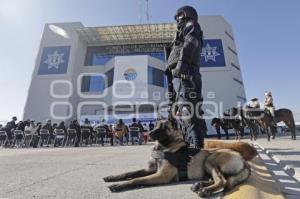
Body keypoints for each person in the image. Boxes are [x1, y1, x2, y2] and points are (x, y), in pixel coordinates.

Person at [165, 6, 207, 148]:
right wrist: (170, 89)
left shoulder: (192, 26)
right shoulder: (178, 36)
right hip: (178, 76)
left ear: (188, 14)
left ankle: (198, 149)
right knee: (181, 114)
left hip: (186, 73)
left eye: (179, 15)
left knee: (188, 110)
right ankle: (190, 147)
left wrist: (181, 65)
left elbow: (191, 43)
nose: (177, 18)